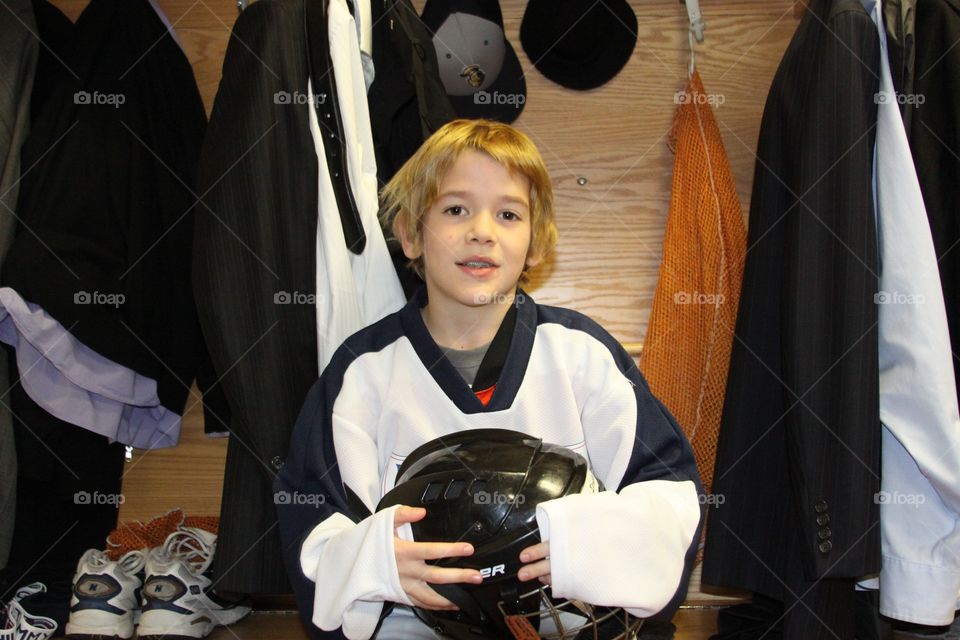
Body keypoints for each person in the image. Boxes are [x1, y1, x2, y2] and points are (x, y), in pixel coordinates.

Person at [275, 119, 703, 640]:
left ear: (536, 243)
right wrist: (377, 566)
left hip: (574, 627)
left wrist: (584, 547)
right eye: (455, 209)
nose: (482, 229)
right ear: (410, 234)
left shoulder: (582, 356)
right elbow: (313, 524)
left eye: (507, 213)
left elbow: (670, 493)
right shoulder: (362, 374)